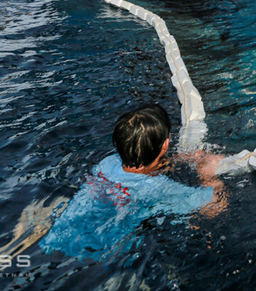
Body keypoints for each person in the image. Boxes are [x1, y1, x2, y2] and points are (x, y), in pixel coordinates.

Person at [40, 103, 225, 259]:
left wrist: (180, 159)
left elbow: (140, 168)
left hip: (53, 241)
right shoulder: (158, 189)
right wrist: (207, 172)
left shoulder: (107, 163)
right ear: (165, 144)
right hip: (96, 255)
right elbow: (216, 206)